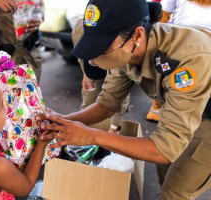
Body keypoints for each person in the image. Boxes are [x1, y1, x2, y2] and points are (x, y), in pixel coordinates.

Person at [37, 0, 211, 199]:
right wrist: (65, 120)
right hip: (186, 106)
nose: (96, 59)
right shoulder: (126, 49)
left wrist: (92, 136)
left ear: (137, 35)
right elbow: (107, 104)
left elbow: (164, 149)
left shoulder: (186, 60)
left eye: (102, 47)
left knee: (176, 191)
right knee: (166, 171)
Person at [146, 0, 211, 122]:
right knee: (173, 79)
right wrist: (155, 39)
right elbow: (163, 13)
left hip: (207, 48)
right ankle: (160, 107)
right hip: (182, 43)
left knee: (202, 83)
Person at [72, 19, 130, 134]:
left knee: (114, 99)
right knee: (89, 99)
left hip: (116, 59)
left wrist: (114, 128)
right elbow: (81, 56)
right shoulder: (79, 31)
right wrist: (86, 74)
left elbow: (118, 95)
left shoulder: (122, 46)